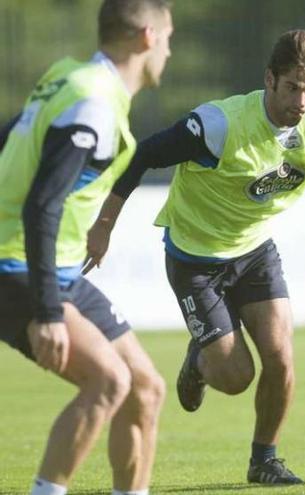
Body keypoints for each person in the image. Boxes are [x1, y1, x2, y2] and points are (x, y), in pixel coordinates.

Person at [84, 29, 305, 485]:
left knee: (281, 358)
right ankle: (201, 361)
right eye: (293, 88)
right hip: (195, 259)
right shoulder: (219, 126)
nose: (302, 101)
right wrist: (103, 228)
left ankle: (265, 461)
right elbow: (143, 155)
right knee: (237, 376)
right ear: (269, 79)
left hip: (255, 253)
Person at [0, 1, 173, 494]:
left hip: (56, 268)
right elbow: (42, 204)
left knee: (145, 388)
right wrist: (48, 312)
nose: (168, 49)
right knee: (109, 382)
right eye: (167, 37)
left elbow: (10, 139)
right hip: (16, 263)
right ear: (145, 36)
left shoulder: (69, 77)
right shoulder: (93, 103)